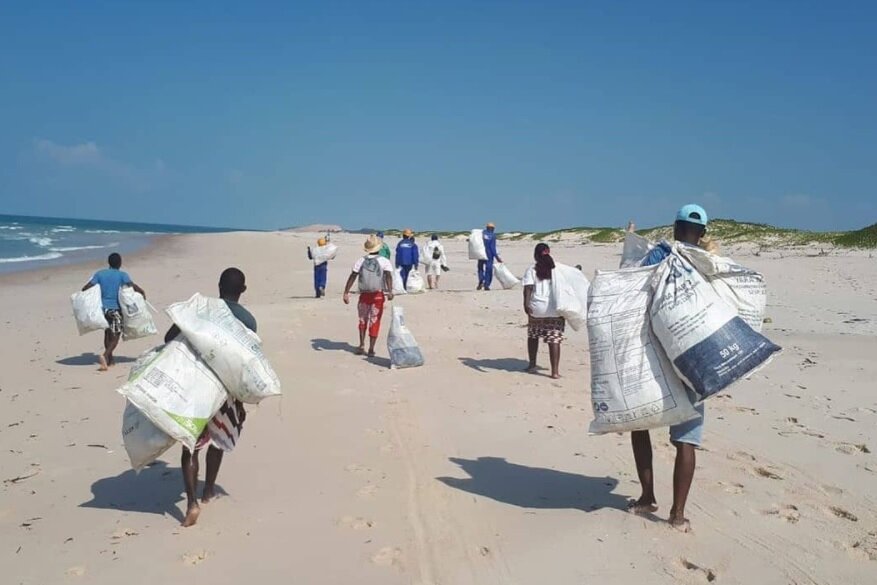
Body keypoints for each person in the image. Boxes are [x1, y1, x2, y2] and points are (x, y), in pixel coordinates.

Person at [629, 203, 710, 533]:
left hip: (655, 356)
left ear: (675, 228)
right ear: (702, 234)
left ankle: (648, 496)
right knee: (686, 440)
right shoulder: (710, 264)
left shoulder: (658, 255)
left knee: (641, 424)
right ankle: (677, 515)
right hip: (694, 358)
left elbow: (633, 287)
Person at [163, 267, 256, 528]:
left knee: (189, 445)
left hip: (194, 385)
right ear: (243, 290)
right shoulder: (247, 320)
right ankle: (208, 491)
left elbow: (169, 337)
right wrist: (239, 401)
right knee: (217, 439)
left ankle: (191, 503)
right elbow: (244, 363)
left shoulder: (198, 309)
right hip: (223, 389)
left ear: (218, 286)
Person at [81, 253, 146, 371]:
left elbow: (86, 287)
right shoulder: (122, 275)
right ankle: (105, 355)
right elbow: (132, 286)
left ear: (109, 262)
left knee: (107, 333)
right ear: (119, 263)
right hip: (115, 309)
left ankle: (110, 361)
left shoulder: (100, 274)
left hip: (102, 309)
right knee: (116, 335)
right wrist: (142, 292)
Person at [343, 235, 395, 357]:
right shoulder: (384, 261)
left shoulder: (361, 260)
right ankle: (371, 349)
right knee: (375, 321)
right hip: (378, 295)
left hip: (364, 296)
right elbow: (388, 276)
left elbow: (353, 276)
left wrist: (346, 292)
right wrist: (390, 291)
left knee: (362, 320)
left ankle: (361, 345)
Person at [521, 243, 563, 379]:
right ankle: (555, 372)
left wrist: (526, 305)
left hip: (537, 308)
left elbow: (528, 289)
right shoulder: (557, 269)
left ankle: (532, 365)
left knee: (533, 335)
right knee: (554, 338)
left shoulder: (532, 269)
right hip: (554, 308)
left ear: (535, 255)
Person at [477, 222, 502, 291]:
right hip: (489, 254)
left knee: (480, 268)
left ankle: (481, 279)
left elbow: (475, 240)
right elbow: (492, 247)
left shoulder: (481, 233)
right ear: (493, 228)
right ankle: (486, 285)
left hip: (480, 253)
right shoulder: (493, 235)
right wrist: (497, 257)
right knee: (489, 270)